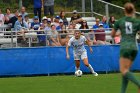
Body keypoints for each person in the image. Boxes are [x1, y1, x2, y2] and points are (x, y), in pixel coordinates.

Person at [111, 2, 140, 93]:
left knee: (123, 70)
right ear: (133, 10)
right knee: (126, 71)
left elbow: (112, 35)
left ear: (124, 10)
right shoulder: (137, 21)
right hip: (134, 47)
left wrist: (119, 33)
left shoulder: (120, 21)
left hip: (125, 47)